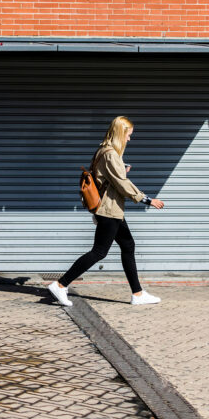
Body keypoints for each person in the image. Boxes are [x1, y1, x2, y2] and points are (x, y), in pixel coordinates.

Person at [48, 116, 165, 306]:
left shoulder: (103, 151)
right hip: (109, 211)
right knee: (99, 252)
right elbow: (122, 184)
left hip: (112, 210)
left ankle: (137, 293)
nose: (129, 139)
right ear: (120, 133)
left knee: (128, 245)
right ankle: (60, 285)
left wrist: (121, 173)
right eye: (128, 135)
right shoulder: (110, 154)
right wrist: (147, 200)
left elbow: (110, 179)